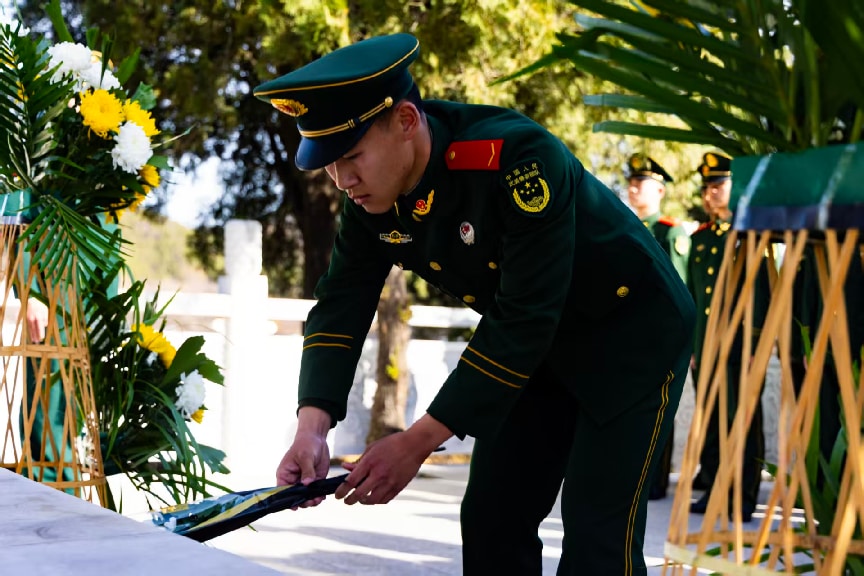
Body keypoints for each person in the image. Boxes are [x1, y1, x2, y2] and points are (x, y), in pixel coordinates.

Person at [254, 33, 695, 575]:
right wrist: (311, 428)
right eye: (329, 164)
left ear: (406, 121)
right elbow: (341, 303)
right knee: (492, 516)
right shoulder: (371, 198)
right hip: (536, 349)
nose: (343, 180)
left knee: (597, 535)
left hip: (629, 334)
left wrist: (418, 441)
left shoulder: (517, 160)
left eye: (351, 156)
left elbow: (525, 315)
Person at [686, 152, 766, 522]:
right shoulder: (701, 239)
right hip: (707, 347)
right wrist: (693, 345)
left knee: (743, 418)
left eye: (719, 184)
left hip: (741, 345)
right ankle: (716, 486)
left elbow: (762, 291)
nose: (711, 192)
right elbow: (693, 296)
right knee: (712, 418)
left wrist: (756, 341)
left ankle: (744, 492)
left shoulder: (751, 235)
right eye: (707, 186)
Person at [625, 153, 690, 500]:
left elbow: (677, 290)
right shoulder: (624, 225)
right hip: (627, 334)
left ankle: (654, 481)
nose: (633, 187)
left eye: (641, 182)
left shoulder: (670, 231)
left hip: (658, 336)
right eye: (631, 182)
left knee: (657, 408)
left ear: (660, 191)